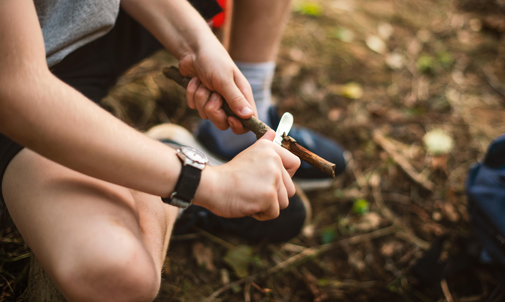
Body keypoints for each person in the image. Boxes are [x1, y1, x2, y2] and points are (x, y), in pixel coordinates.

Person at [0, 0, 344, 300]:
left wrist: (195, 42)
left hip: (82, 44)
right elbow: (14, 93)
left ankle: (220, 144)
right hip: (19, 102)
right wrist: (208, 182)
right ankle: (174, 163)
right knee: (119, 275)